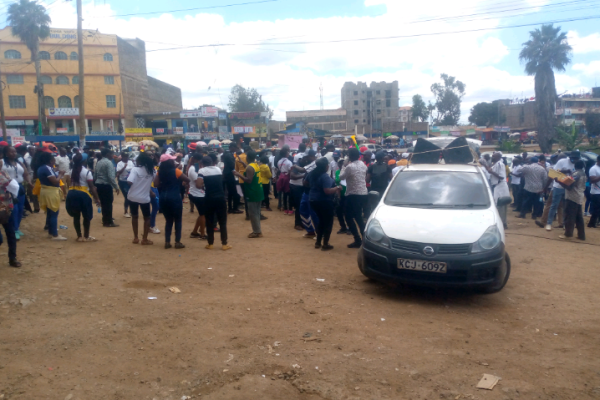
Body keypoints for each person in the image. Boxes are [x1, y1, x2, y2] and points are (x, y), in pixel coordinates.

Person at [154, 153, 190, 249]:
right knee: (178, 220)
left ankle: (167, 242)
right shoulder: (176, 171)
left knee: (168, 220)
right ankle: (177, 242)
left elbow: (156, 184)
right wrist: (180, 182)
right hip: (174, 197)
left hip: (163, 197)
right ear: (169, 162)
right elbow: (187, 179)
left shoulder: (159, 172)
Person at [198, 156, 231, 250]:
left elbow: (198, 184)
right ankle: (224, 244)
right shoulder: (218, 169)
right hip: (220, 198)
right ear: (212, 162)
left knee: (209, 221)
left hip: (209, 198)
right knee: (223, 222)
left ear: (203, 164)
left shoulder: (202, 171)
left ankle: (210, 243)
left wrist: (204, 186)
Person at [306, 158, 340, 250]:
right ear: (325, 166)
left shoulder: (312, 173)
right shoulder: (324, 176)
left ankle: (318, 242)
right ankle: (325, 244)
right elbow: (327, 191)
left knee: (321, 221)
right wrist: (337, 188)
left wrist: (314, 187)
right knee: (328, 222)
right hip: (324, 201)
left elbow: (305, 182)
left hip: (313, 200)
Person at [66, 154, 101, 242]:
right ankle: (86, 236)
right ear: (84, 162)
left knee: (76, 216)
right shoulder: (87, 172)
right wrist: (97, 198)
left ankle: (79, 236)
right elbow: (92, 187)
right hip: (83, 195)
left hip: (72, 194)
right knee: (86, 216)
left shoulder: (71, 171)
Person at [340, 148, 368, 248]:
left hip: (353, 194)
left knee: (348, 217)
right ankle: (365, 239)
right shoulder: (363, 165)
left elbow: (341, 177)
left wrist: (343, 166)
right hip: (363, 193)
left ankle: (357, 239)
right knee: (358, 217)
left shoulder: (349, 167)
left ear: (350, 156)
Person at [544, 151, 579, 231]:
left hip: (568, 188)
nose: (573, 160)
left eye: (575, 159)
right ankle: (549, 223)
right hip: (558, 187)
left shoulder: (578, 163)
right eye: (572, 158)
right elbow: (554, 172)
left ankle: (564, 223)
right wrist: (565, 171)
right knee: (554, 205)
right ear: (570, 157)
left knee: (565, 207)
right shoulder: (562, 161)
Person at [1, 146, 30, 240]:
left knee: (21, 209)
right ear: (6, 153)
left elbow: (26, 173)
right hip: (8, 187)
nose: (13, 153)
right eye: (11, 152)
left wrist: (29, 182)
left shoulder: (19, 162)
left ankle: (17, 228)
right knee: (14, 209)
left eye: (14, 152)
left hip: (20, 187)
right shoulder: (2, 162)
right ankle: (13, 230)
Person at [37, 151, 67, 241]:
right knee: (54, 212)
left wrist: (56, 171)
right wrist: (61, 174)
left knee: (50, 212)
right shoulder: (47, 168)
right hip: (51, 192)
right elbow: (55, 181)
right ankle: (55, 234)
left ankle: (51, 231)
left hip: (46, 191)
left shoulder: (41, 168)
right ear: (50, 160)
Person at [234, 151, 264, 238]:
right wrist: (243, 163)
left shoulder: (250, 168)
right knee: (257, 212)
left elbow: (248, 180)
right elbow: (250, 170)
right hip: (258, 191)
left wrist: (238, 174)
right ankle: (258, 230)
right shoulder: (255, 165)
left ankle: (257, 232)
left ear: (247, 158)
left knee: (253, 213)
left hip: (252, 192)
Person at [127, 152, 155, 246]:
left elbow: (130, 181)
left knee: (135, 216)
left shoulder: (135, 169)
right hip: (144, 198)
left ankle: (135, 237)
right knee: (147, 218)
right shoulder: (151, 171)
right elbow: (153, 182)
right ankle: (145, 239)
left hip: (133, 196)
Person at [559, 160, 586, 240]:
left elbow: (569, 187)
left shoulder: (576, 174)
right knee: (579, 217)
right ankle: (581, 235)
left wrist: (559, 182)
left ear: (575, 166)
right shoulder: (583, 173)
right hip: (579, 196)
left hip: (572, 197)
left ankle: (568, 234)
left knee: (569, 216)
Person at [94, 148, 120, 228]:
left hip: (99, 184)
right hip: (106, 185)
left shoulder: (99, 162)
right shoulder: (109, 163)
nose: (112, 155)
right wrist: (116, 187)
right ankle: (109, 221)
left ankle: (105, 219)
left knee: (103, 203)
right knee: (108, 204)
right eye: (111, 154)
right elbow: (111, 177)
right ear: (107, 154)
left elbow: (95, 175)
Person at [486, 152, 510, 228]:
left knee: (501, 205)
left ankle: (502, 223)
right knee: (499, 205)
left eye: (494, 156)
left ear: (499, 157)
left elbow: (502, 177)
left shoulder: (500, 164)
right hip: (497, 186)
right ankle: (502, 222)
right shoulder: (495, 164)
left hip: (500, 186)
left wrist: (491, 172)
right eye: (492, 156)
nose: (492, 157)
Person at [187, 153, 207, 239]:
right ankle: (202, 234)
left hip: (197, 193)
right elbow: (198, 183)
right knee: (203, 214)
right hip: (197, 194)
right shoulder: (193, 169)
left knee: (202, 214)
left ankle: (195, 232)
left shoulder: (195, 168)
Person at [222, 143, 242, 214]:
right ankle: (235, 208)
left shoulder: (227, 153)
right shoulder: (229, 155)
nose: (236, 149)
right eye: (235, 148)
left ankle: (230, 208)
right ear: (232, 147)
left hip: (227, 174)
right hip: (230, 175)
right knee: (235, 192)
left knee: (230, 193)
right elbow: (233, 165)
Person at [116, 152, 134, 218]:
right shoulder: (119, 163)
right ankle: (126, 212)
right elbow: (118, 172)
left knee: (131, 196)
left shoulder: (130, 162)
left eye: (127, 156)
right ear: (122, 156)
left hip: (130, 181)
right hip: (123, 182)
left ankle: (132, 211)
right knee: (127, 196)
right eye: (125, 156)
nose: (126, 157)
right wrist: (124, 167)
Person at [276, 146, 293, 214]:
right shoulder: (289, 162)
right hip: (287, 178)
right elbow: (290, 170)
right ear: (286, 154)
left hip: (281, 177)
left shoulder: (279, 161)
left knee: (283, 193)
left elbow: (279, 169)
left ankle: (285, 208)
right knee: (289, 193)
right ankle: (290, 209)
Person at [334, 158, 349, 234]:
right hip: (339, 195)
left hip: (347, 194)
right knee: (339, 211)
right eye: (340, 163)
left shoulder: (348, 172)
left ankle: (349, 227)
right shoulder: (337, 172)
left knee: (347, 212)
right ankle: (343, 227)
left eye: (342, 163)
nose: (341, 165)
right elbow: (336, 181)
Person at [149, 153, 161, 235]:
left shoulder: (155, 167)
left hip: (154, 188)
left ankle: (150, 224)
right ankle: (151, 225)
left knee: (157, 206)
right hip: (151, 188)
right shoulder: (149, 168)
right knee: (156, 206)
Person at [587, 155, 600, 228]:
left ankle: (596, 222)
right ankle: (591, 223)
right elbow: (592, 180)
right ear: (598, 160)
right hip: (595, 192)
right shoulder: (593, 169)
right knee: (596, 209)